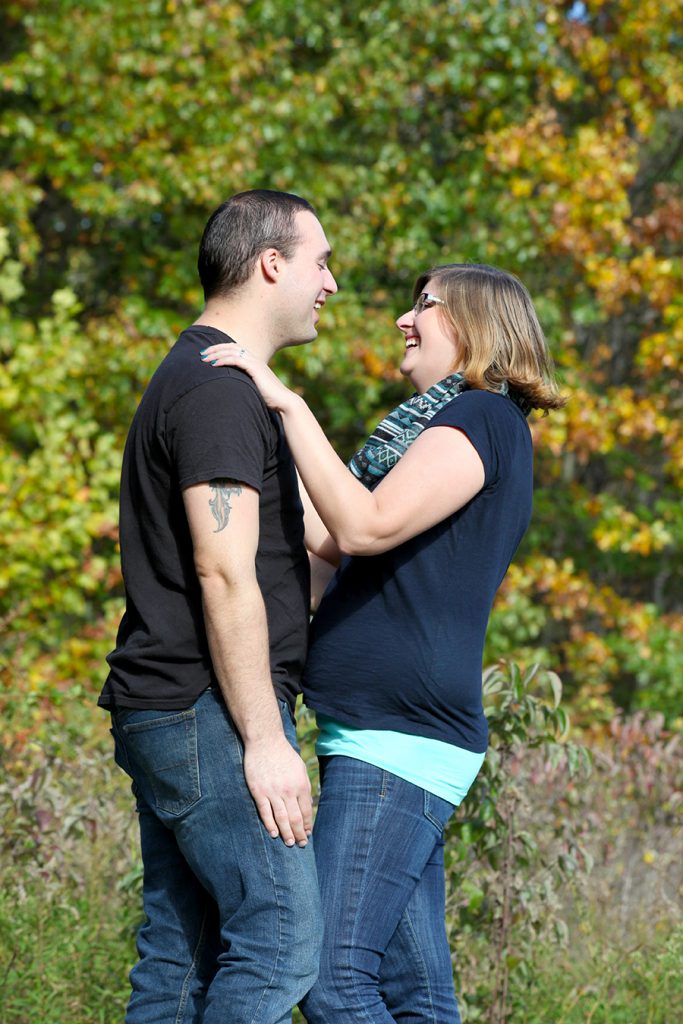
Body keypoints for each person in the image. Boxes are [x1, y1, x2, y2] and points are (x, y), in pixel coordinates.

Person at [201, 262, 565, 1023]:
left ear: (472, 326)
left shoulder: (482, 420)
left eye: (423, 306)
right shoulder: (440, 428)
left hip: (399, 740)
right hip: (379, 736)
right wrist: (256, 421)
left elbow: (364, 525)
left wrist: (290, 406)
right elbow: (331, 536)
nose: (404, 320)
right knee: (414, 997)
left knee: (332, 984)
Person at [99, 189, 338, 1024]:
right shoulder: (216, 391)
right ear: (271, 263)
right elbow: (223, 571)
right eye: (321, 260)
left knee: (179, 958)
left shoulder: (219, 381)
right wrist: (267, 741)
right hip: (208, 706)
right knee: (281, 939)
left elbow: (301, 551)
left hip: (173, 703)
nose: (331, 283)